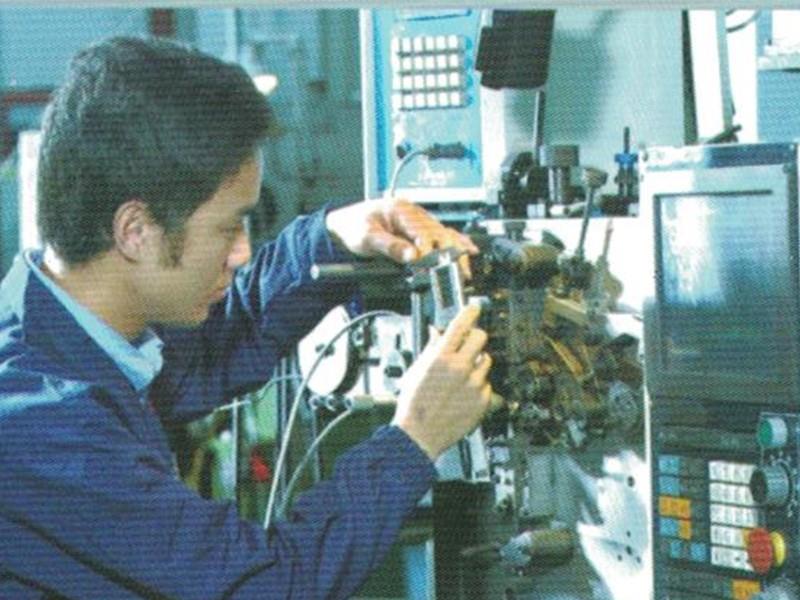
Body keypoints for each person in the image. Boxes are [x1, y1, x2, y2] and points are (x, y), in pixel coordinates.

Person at [0, 36, 493, 599]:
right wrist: (414, 438)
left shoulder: (56, 330)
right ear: (135, 231)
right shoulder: (41, 422)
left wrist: (328, 238)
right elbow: (267, 586)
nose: (241, 253)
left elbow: (206, 356)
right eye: (227, 226)